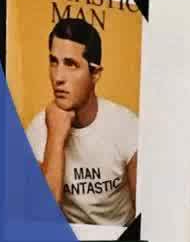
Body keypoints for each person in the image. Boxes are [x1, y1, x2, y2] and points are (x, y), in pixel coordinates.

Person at [25, 17, 138, 227]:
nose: (58, 77)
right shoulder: (38, 129)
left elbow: (149, 219)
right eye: (54, 62)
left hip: (120, 241)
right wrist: (55, 138)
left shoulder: (127, 126)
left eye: (71, 64)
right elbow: (41, 217)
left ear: (95, 74)